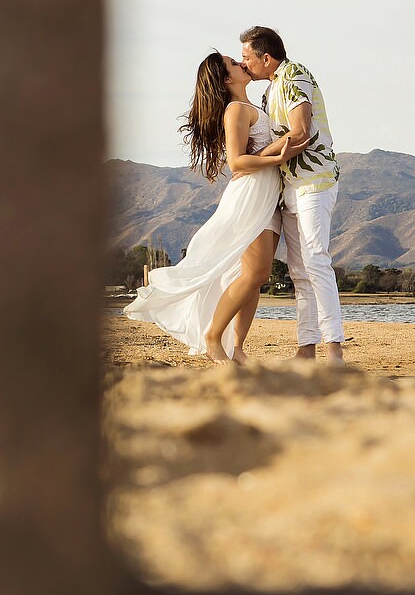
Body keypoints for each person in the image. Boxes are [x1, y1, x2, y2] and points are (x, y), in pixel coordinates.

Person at [124, 52, 301, 363]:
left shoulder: (254, 106)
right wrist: (277, 158)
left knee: (256, 277)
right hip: (251, 196)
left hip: (269, 196)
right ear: (226, 80)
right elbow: (237, 162)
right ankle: (212, 337)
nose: (241, 64)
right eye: (234, 64)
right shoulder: (235, 110)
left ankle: (238, 348)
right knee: (256, 271)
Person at [238, 25, 346, 366]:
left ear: (266, 58)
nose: (243, 65)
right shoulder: (270, 92)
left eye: (246, 57)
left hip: (314, 181)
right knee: (299, 270)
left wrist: (257, 160)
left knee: (315, 259)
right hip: (289, 187)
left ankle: (335, 351)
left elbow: (301, 131)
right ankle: (306, 350)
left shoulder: (294, 75)